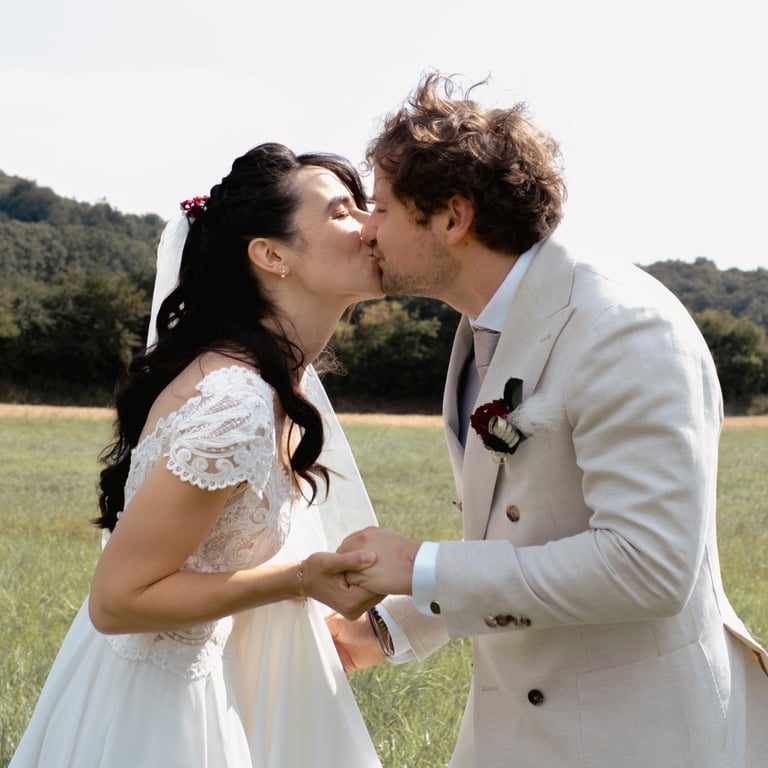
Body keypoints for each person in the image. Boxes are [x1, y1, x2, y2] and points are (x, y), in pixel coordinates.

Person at [330, 73, 768, 768]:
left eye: (381, 207)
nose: (367, 227)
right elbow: (527, 529)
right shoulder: (482, 324)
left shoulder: (623, 326)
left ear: (453, 217)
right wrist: (390, 628)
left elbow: (648, 566)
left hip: (636, 738)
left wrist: (418, 566)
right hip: (517, 732)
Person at [11, 142, 387, 768]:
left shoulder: (268, 385)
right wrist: (299, 580)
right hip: (151, 711)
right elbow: (117, 599)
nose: (371, 225)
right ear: (271, 255)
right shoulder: (237, 404)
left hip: (196, 679)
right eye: (341, 212)